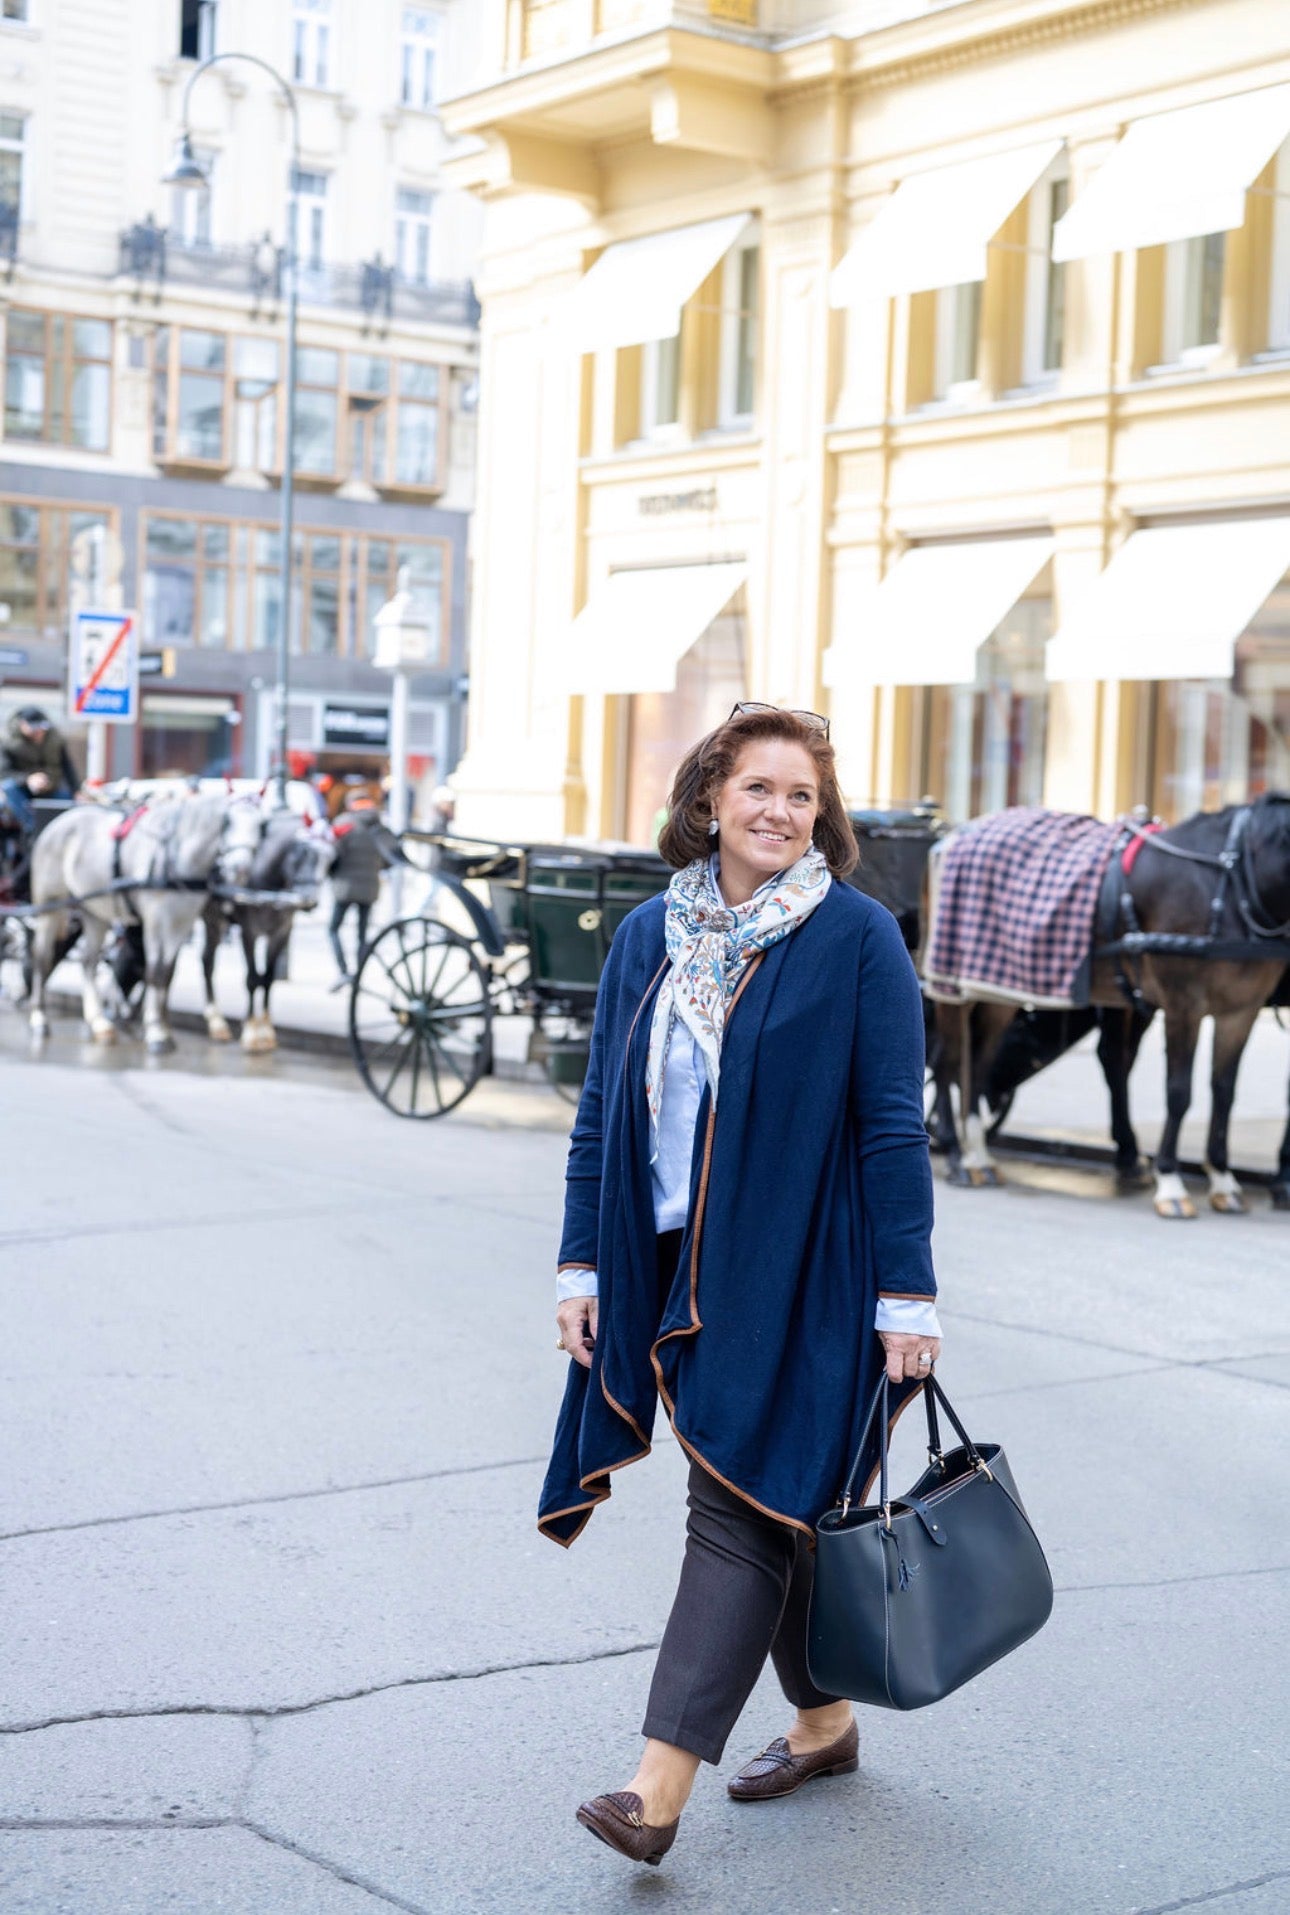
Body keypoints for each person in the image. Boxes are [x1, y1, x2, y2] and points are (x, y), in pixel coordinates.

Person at [542, 703, 941, 1868]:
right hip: (666, 1263)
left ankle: (653, 1789)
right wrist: (582, 1262)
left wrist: (905, 1295)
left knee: (733, 1507)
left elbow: (888, 1127)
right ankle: (824, 1722)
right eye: (758, 787)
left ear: (824, 815)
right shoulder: (644, 940)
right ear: (709, 797)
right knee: (780, 1500)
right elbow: (600, 1120)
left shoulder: (856, 937)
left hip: (810, 1267)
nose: (779, 811)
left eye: (802, 795)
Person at [326, 791, 400, 982]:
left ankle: (343, 971)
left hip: (345, 886)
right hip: (370, 887)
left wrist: (331, 873)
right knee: (362, 933)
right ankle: (359, 974)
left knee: (333, 929)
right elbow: (390, 858)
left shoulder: (344, 823)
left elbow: (331, 854)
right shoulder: (379, 826)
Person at [1, 706, 78, 833]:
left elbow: (67, 766)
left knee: (67, 800)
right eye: (33, 728)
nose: (38, 732)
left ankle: (61, 831)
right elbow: (4, 772)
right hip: (22, 791)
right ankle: (33, 829)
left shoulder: (55, 740)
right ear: (22, 724)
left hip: (51, 788)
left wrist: (76, 789)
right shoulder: (9, 743)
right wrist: (28, 779)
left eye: (40, 728)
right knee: (8, 787)